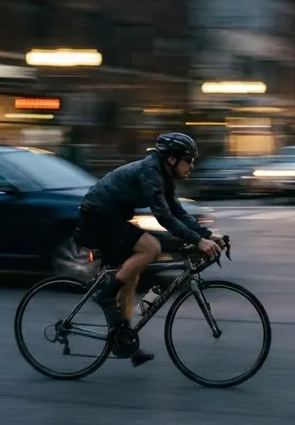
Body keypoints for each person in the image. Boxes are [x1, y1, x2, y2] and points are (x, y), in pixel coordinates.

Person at [76, 132, 224, 367]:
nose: (192, 166)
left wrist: (207, 235)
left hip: (113, 216)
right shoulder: (151, 173)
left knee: (131, 279)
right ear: (172, 159)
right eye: (189, 161)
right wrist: (198, 241)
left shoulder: (163, 175)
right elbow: (164, 217)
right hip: (98, 215)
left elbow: (178, 211)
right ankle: (105, 295)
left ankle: (124, 341)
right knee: (151, 248)